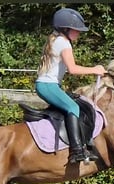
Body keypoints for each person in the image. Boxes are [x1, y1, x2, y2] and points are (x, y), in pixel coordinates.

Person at [35, 8, 106, 164]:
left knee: (80, 102)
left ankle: (84, 144)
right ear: (65, 29)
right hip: (48, 86)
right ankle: (76, 151)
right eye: (76, 30)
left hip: (50, 85)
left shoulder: (57, 39)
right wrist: (95, 70)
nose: (78, 33)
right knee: (73, 108)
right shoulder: (63, 43)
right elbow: (73, 69)